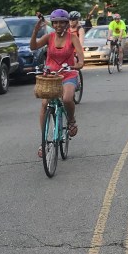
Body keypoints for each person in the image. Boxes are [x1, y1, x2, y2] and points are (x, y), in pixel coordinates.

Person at [30, 9, 84, 156]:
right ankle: (44, 141)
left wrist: (75, 66)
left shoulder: (72, 38)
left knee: (67, 98)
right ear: (52, 24)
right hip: (51, 75)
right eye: (55, 22)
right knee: (44, 104)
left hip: (67, 73)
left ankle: (71, 120)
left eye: (62, 22)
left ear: (67, 23)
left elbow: (81, 60)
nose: (58, 25)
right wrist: (35, 32)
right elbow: (33, 47)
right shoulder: (49, 37)